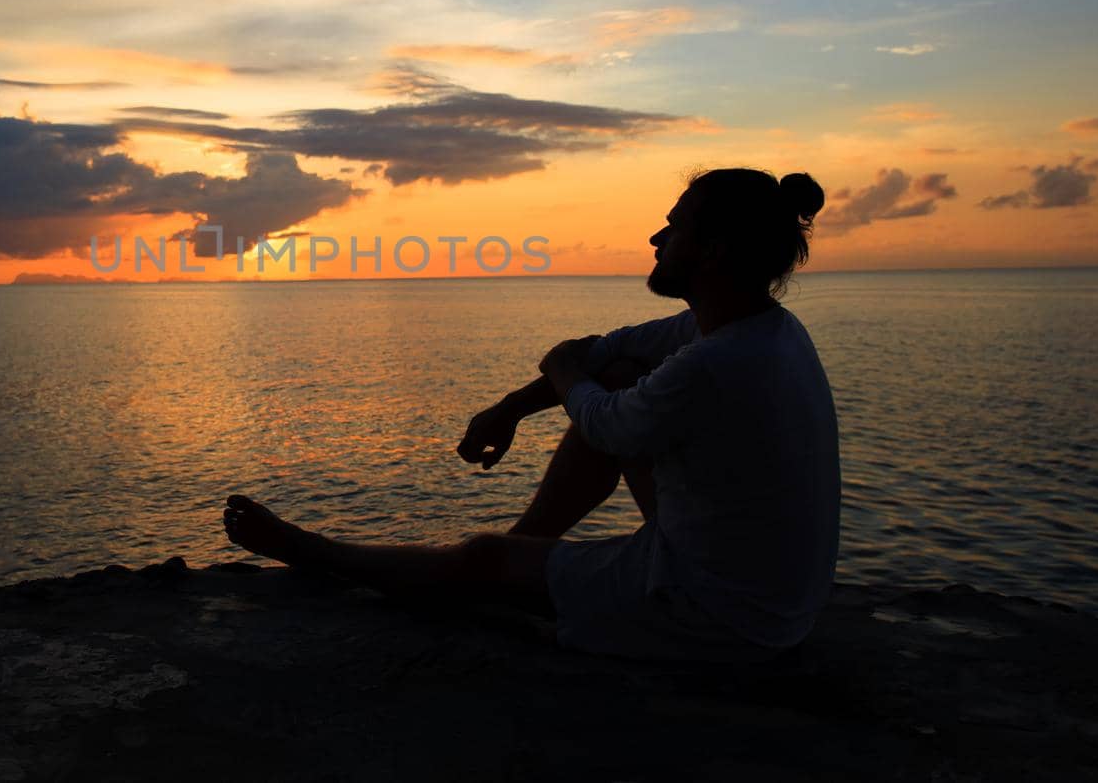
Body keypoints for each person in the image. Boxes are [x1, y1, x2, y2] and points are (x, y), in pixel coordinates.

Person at [223, 168, 839, 661]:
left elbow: (601, 414)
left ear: (713, 250)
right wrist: (511, 408)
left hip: (719, 615)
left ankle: (313, 551)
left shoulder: (716, 361)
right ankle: (523, 560)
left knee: (483, 555)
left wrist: (566, 374)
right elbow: (610, 355)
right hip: (767, 594)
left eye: (672, 229)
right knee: (617, 378)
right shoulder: (763, 330)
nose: (656, 240)